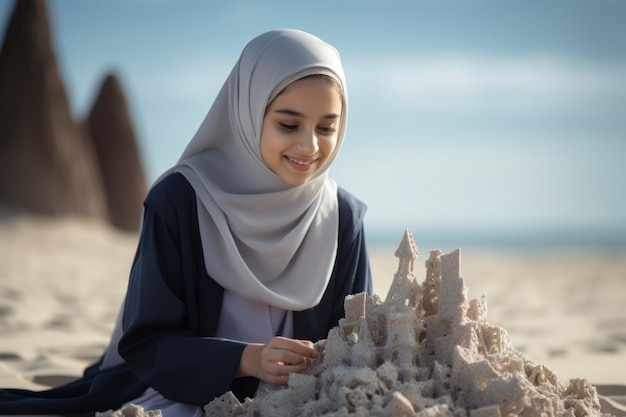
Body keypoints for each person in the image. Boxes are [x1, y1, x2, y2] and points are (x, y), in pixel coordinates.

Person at [0, 28, 372, 416]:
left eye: (327, 127)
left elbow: (357, 339)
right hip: (175, 395)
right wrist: (246, 360)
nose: (310, 146)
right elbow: (147, 342)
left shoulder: (343, 219)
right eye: (288, 125)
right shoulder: (181, 201)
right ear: (247, 111)